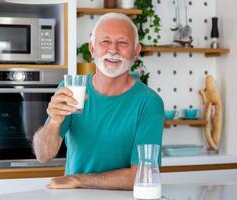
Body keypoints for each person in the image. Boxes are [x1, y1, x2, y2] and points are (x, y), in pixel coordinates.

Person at [33, 13, 164, 190]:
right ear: (92, 49)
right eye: (105, 42)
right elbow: (43, 154)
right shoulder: (71, 91)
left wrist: (79, 180)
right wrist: (54, 123)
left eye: (123, 43)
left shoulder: (149, 102)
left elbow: (142, 175)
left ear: (136, 51)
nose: (113, 50)